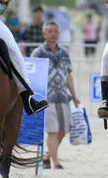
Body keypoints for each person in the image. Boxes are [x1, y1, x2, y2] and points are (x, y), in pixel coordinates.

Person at [31, 20, 80, 169]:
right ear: (44, 34)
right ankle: (56, 162)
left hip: (63, 97)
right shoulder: (38, 52)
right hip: (46, 97)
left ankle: (46, 157)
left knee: (63, 130)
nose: (53, 34)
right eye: (50, 31)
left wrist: (75, 95)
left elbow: (69, 75)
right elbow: (32, 74)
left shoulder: (64, 52)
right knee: (52, 130)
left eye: (55, 31)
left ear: (59, 33)